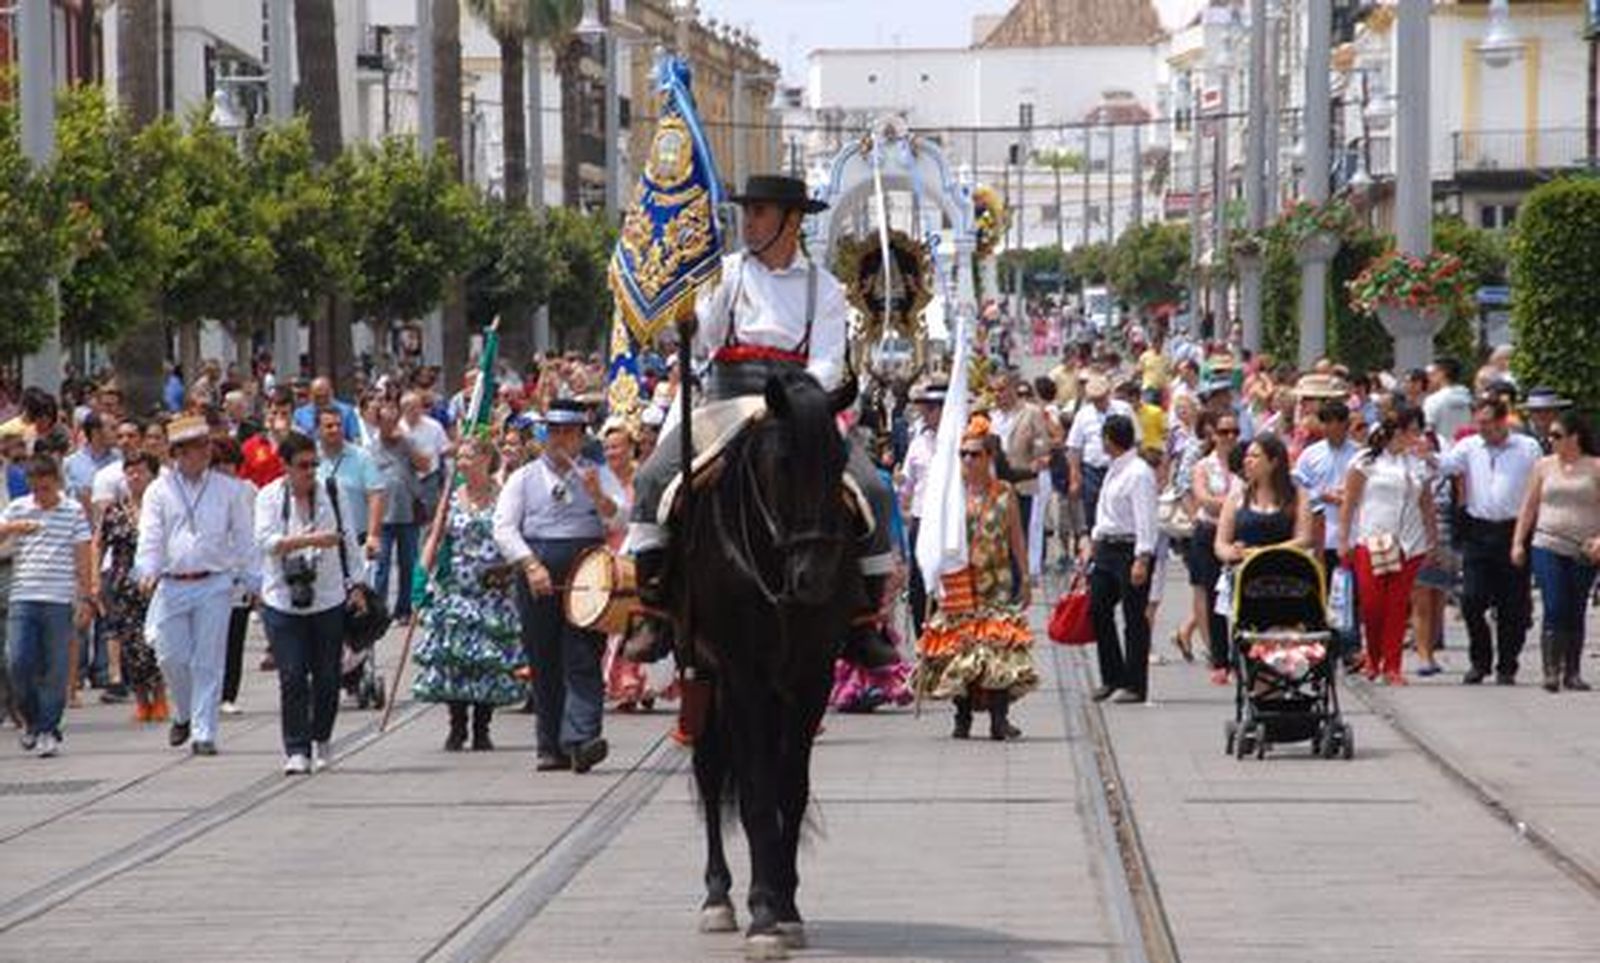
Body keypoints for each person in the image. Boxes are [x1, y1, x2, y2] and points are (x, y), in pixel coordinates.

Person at [622, 174, 898, 671]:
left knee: (871, 490)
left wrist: (793, 403)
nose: (748, 223)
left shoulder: (826, 289)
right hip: (725, 399)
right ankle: (654, 610)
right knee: (651, 478)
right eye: (747, 213)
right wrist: (685, 316)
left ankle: (863, 624)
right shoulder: (726, 274)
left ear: (791, 221)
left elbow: (829, 364)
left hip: (797, 404)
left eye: (759, 213)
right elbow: (705, 340)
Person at [494, 399, 615, 774]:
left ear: (582, 436)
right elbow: (503, 526)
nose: (562, 440)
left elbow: (620, 513)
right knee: (544, 658)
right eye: (555, 432)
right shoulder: (525, 477)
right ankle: (550, 744)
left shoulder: (596, 472)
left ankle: (582, 737)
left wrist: (598, 494)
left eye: (570, 433)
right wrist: (530, 564)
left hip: (586, 567)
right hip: (540, 567)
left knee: (583, 651)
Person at [135, 414, 256, 756]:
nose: (205, 451)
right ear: (178, 452)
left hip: (214, 582)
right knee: (171, 655)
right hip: (172, 584)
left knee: (208, 658)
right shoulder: (158, 491)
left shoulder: (229, 489)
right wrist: (147, 569)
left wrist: (254, 579)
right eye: (196, 446)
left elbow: (245, 540)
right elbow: (151, 536)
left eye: (206, 444)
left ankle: (204, 731)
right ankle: (185, 713)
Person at [912, 415, 1035, 739]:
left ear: (989, 458)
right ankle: (961, 716)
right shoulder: (952, 495)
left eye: (975, 454)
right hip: (960, 584)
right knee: (960, 650)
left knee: (997, 650)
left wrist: (1025, 577)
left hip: (996, 583)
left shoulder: (1005, 492)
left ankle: (999, 717)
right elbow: (934, 536)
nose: (968, 459)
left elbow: (1016, 537)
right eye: (963, 454)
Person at [254, 432, 368, 774]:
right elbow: (266, 541)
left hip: (328, 595)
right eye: (302, 466)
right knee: (291, 676)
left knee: (327, 676)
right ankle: (296, 748)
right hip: (282, 599)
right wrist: (310, 540)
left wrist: (357, 584)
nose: (309, 472)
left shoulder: (332, 493)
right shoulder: (269, 497)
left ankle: (322, 739)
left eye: (314, 464)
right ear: (285, 466)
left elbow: (347, 537)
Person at [414, 436, 528, 750]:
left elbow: (515, 535)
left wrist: (513, 569)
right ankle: (456, 725)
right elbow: (435, 537)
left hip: (492, 590)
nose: (462, 463)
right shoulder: (451, 496)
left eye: (468, 457)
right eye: (460, 458)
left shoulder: (502, 496)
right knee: (455, 657)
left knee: (487, 660)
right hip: (456, 588)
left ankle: (482, 726)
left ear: (485, 460)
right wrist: (420, 578)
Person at [1438, 397, 1543, 684]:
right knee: (1471, 599)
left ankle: (1507, 664)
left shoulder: (1527, 447)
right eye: (1478, 422)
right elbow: (1445, 465)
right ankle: (1480, 660)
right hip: (1478, 531)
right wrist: (1425, 455)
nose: (1481, 428)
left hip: (1514, 530)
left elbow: (1538, 485)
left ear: (1502, 420)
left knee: (1513, 604)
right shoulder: (1470, 446)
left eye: (1486, 422)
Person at [0, 455, 95, 757]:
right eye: (35, 488)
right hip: (23, 594)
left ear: (56, 481)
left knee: (55, 668)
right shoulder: (19, 508)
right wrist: (14, 528)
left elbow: (82, 553)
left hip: (57, 597)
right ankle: (30, 718)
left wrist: (86, 595)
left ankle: (48, 727)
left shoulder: (73, 510)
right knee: (17, 660)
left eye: (46, 488)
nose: (41, 495)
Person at [1339, 406, 1436, 685]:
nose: (1418, 437)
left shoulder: (1417, 464)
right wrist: (1344, 539)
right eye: (1413, 431)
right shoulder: (1366, 461)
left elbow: (1426, 504)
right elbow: (1350, 502)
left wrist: (1432, 540)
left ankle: (1392, 665)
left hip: (1409, 541)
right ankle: (1372, 657)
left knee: (1397, 605)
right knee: (1372, 604)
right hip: (1372, 540)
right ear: (1398, 432)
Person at [1512, 411, 1600, 692]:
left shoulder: (1595, 467)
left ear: (1575, 437)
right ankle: (1551, 670)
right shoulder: (1543, 467)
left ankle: (1572, 671)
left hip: (1583, 547)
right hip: (1547, 542)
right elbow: (1529, 506)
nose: (1551, 441)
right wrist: (1517, 542)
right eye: (1550, 436)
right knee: (1554, 604)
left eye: (1557, 436)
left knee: (1575, 606)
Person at [1085, 415, 1160, 704]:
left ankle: (1135, 683)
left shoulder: (1138, 472)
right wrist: (1093, 542)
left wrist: (1142, 557)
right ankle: (1111, 675)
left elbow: (1145, 518)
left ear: (1109, 439)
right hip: (1106, 548)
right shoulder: (1114, 469)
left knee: (1133, 616)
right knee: (1098, 608)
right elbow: (1105, 512)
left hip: (1130, 549)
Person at [94, 452, 167, 722]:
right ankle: (141, 700)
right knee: (130, 643)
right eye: (130, 472)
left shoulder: (160, 506)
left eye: (141, 471)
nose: (135, 477)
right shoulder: (115, 510)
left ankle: (160, 696)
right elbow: (99, 543)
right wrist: (94, 581)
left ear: (152, 475)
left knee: (155, 642)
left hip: (157, 582)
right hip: (123, 582)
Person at [1189, 412, 1243, 683]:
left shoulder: (1246, 462)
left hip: (1238, 534)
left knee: (1241, 597)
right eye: (1224, 432)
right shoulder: (1204, 466)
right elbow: (1203, 499)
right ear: (1214, 436)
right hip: (1209, 532)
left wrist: (1224, 503)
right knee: (1214, 596)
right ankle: (1220, 659)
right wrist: (1233, 504)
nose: (1230, 437)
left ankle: (1241, 656)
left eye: (1234, 431)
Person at [369, 397, 431, 624]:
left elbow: (426, 465)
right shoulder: (371, 447)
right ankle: (379, 610)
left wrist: (406, 442)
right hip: (382, 516)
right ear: (378, 423)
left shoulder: (407, 441)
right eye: (385, 422)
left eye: (394, 421)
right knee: (381, 566)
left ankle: (403, 609)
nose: (390, 426)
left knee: (408, 563)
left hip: (407, 513)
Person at [211, 438, 256, 716]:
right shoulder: (204, 492)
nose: (223, 469)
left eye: (228, 463)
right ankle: (209, 692)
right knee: (209, 638)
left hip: (239, 574)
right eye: (217, 464)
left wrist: (254, 575)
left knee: (234, 637)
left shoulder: (249, 491)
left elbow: (254, 535)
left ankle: (229, 693)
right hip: (211, 572)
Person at [899, 381, 946, 635]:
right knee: (918, 587)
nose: (924, 414)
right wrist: (903, 508)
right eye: (924, 409)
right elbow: (907, 483)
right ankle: (922, 639)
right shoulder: (918, 442)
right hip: (920, 520)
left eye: (929, 409)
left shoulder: (958, 441)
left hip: (948, 523)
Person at [1066, 374, 1139, 535]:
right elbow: (1074, 448)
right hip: (1093, 470)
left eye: (1101, 399)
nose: (1098, 404)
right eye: (1094, 400)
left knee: (1121, 506)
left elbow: (1136, 440)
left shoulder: (1123, 409)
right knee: (1092, 507)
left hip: (1121, 468)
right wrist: (1074, 476)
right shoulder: (1083, 415)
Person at [315, 407, 385, 562]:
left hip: (356, 541)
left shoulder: (362, 457)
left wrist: (373, 535)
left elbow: (375, 496)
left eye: (339, 425)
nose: (335, 429)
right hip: (321, 543)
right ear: (318, 430)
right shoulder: (310, 459)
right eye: (329, 426)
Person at [1423, 359, 1473, 453]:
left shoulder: (1433, 400)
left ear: (1442, 374)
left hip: (1442, 454)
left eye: (1433, 374)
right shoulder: (1469, 399)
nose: (1429, 379)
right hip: (1467, 453)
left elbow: (1428, 430)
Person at [292, 376, 361, 441]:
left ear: (331, 392)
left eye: (325, 396)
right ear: (311, 394)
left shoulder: (346, 412)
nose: (321, 400)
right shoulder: (300, 414)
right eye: (318, 397)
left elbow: (355, 438)